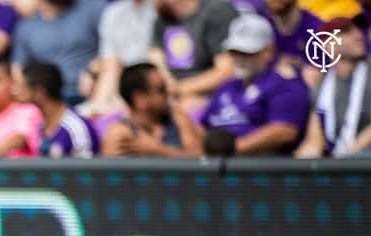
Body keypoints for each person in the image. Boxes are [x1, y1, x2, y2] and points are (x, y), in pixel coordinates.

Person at [193, 13, 310, 155]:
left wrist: (231, 150)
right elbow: (203, 125)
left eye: (247, 52)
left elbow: (285, 130)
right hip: (218, 162)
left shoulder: (285, 85)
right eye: (235, 52)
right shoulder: (227, 86)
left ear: (269, 51)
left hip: (259, 167)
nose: (240, 58)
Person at [296, 16, 371, 156]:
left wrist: (346, 156)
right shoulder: (321, 87)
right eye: (347, 32)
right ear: (328, 44)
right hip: (343, 163)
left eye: (358, 29)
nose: (358, 35)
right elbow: (314, 139)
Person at [11, 0, 106, 105]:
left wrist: (93, 71)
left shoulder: (93, 7)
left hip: (92, 93)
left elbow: (113, 49)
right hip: (49, 99)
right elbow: (18, 68)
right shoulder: (26, 26)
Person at [149, 0, 239, 110]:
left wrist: (179, 89)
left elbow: (227, 71)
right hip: (173, 93)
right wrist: (166, 83)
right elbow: (155, 54)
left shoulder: (217, 12)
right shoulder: (164, 15)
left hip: (211, 94)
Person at [102, 60, 202, 154]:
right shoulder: (119, 135)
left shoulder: (177, 116)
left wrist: (158, 149)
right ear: (140, 99)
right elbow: (110, 171)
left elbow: (200, 160)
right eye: (161, 89)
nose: (169, 93)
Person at [84, 0, 156, 114]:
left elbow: (161, 66)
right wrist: (99, 104)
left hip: (156, 89)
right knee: (93, 115)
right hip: (125, 91)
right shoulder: (113, 13)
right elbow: (111, 67)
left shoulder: (164, 8)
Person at [22, 61, 98, 157]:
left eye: (22, 86)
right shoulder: (41, 124)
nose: (15, 90)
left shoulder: (76, 128)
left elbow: (87, 170)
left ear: (39, 92)